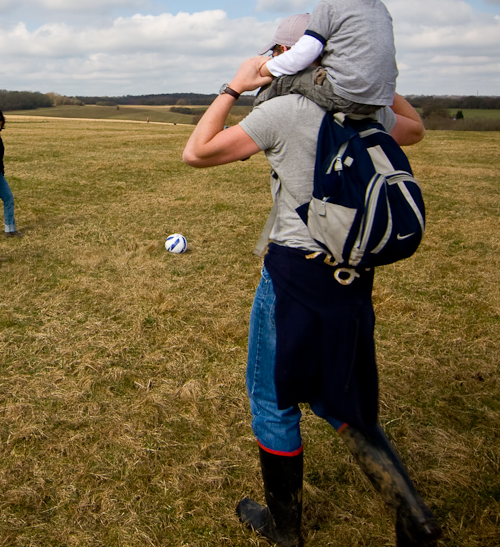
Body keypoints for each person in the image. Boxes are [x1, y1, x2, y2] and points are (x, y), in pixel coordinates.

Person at [183, 48, 440, 546]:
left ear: (287, 60)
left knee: (273, 399)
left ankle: (284, 529)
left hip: (295, 277)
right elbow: (414, 127)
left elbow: (197, 151)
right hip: (353, 279)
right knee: (346, 401)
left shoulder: (284, 111)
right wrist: (370, 82)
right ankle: (414, 519)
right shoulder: (369, 111)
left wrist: (234, 86)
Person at [256, 0, 398, 117]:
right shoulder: (379, 8)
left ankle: (257, 120)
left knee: (284, 79)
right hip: (379, 100)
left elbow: (304, 54)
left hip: (343, 95)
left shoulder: (330, 6)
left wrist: (266, 68)